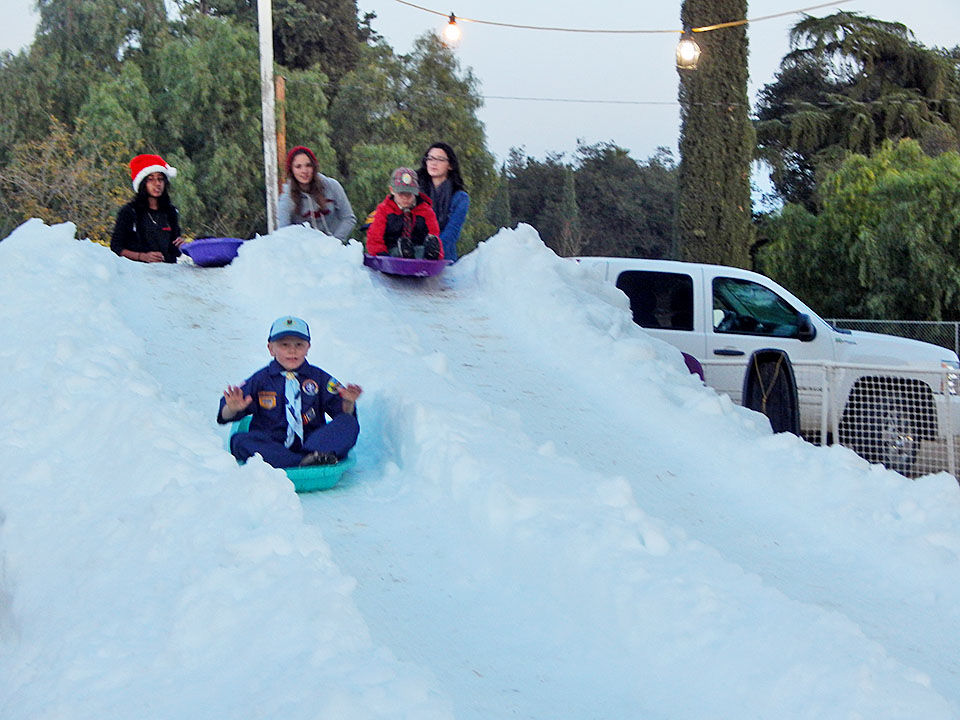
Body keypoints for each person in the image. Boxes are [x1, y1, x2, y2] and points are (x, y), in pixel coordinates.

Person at [218, 316, 362, 468]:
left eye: (299, 345)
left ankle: (311, 457)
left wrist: (348, 402)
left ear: (308, 347)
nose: (292, 350)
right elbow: (225, 415)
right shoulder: (261, 379)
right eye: (284, 344)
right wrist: (232, 408)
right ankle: (302, 462)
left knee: (349, 422)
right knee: (239, 441)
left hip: (314, 444)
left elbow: (342, 414)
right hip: (271, 444)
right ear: (271, 348)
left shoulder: (319, 378)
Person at [111, 154, 184, 263]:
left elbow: (175, 250)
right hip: (137, 273)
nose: (157, 184)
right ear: (142, 183)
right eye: (151, 179)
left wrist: (182, 245)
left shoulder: (171, 212)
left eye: (160, 179)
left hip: (169, 274)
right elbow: (116, 247)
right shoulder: (129, 211)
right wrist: (141, 256)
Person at [277, 145, 356, 241]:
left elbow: (348, 218)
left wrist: (335, 241)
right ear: (291, 170)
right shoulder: (287, 198)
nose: (304, 171)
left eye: (308, 165)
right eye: (298, 167)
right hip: (305, 251)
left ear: (314, 167)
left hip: (334, 247)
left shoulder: (331, 186)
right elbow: (283, 234)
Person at [365, 167, 443, 260]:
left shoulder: (425, 210)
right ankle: (405, 252)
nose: (405, 198)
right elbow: (375, 237)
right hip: (391, 252)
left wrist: (438, 253)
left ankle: (429, 257)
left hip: (418, 249)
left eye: (409, 194)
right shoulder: (384, 210)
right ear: (392, 190)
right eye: (401, 194)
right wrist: (381, 255)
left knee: (422, 250)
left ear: (416, 192)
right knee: (396, 252)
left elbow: (434, 234)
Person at [416, 142, 470, 262]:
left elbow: (452, 233)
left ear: (450, 165)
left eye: (440, 159)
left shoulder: (460, 198)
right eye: (430, 158)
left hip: (442, 261)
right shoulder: (414, 192)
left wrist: (432, 253)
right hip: (413, 256)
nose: (434, 163)